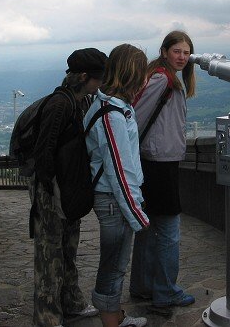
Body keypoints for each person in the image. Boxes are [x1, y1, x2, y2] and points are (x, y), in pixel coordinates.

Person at [31, 48, 106, 327]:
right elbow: (45, 152)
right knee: (50, 254)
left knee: (67, 249)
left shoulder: (79, 101)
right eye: (98, 78)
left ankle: (71, 303)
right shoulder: (60, 105)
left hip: (66, 187)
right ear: (84, 77)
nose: (101, 84)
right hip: (53, 190)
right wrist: (52, 192)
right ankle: (47, 318)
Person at [129, 31, 196, 311]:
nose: (182, 57)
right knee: (169, 231)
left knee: (147, 229)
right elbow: (136, 118)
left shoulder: (164, 77)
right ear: (165, 51)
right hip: (158, 163)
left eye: (186, 52)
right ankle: (166, 291)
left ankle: (143, 286)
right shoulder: (162, 79)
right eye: (177, 51)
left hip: (154, 161)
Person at [84, 44, 150, 327]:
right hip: (114, 201)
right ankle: (112, 322)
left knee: (115, 263)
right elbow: (120, 171)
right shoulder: (111, 114)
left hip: (114, 198)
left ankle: (115, 315)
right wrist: (137, 213)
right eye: (143, 72)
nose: (145, 78)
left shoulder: (114, 107)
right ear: (132, 73)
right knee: (114, 266)